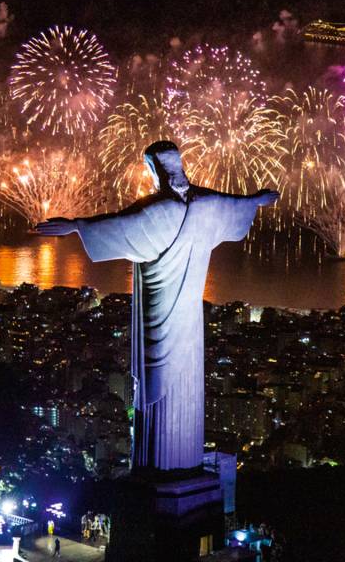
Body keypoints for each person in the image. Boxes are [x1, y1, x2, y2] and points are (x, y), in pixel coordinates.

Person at [36, 141, 278, 470]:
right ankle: (181, 465)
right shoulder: (207, 204)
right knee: (184, 386)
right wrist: (258, 200)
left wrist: (77, 225)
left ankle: (158, 469)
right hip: (189, 322)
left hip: (159, 314)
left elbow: (118, 226)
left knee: (156, 387)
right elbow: (237, 205)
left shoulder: (159, 211)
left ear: (154, 170)